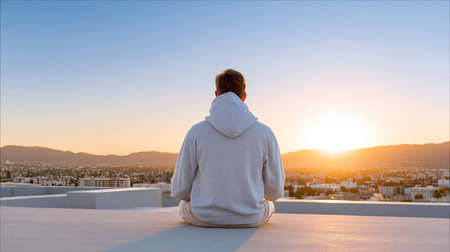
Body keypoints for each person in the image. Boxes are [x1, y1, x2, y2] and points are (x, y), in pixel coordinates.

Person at [171, 69, 285, 228]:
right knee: (271, 207)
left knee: (183, 206)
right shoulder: (265, 133)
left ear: (216, 94)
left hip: (203, 217)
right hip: (250, 218)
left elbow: (179, 191)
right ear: (244, 96)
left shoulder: (196, 132)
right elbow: (275, 192)